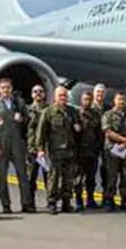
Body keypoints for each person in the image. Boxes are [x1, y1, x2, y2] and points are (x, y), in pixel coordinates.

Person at [0, 78, 32, 215]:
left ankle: (26, 204)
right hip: (1, 144)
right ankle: (6, 205)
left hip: (17, 144)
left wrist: (22, 119)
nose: (6, 90)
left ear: (11, 88)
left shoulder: (19, 103)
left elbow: (28, 121)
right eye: (3, 88)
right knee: (1, 177)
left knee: (23, 175)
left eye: (8, 87)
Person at [35, 86, 81, 214]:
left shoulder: (72, 111)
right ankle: (52, 202)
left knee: (68, 178)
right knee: (53, 177)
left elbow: (78, 127)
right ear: (55, 97)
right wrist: (40, 149)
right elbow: (41, 132)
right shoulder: (49, 112)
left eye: (65, 96)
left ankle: (66, 202)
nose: (63, 98)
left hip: (70, 150)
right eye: (60, 95)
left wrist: (78, 127)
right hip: (55, 150)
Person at [101, 92, 126, 211]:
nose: (121, 102)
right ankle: (109, 201)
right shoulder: (108, 115)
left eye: (123, 100)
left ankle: (124, 200)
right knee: (111, 177)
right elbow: (107, 131)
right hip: (112, 151)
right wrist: (123, 140)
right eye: (119, 99)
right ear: (114, 101)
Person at [74, 90, 105, 209]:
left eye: (89, 99)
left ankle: (90, 199)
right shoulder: (76, 114)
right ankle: (78, 200)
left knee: (91, 178)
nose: (87, 101)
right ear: (81, 100)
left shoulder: (96, 115)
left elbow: (99, 134)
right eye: (85, 99)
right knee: (78, 179)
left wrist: (100, 148)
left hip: (92, 151)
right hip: (80, 152)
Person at [24, 84, 47, 212]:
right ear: (32, 94)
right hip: (31, 149)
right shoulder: (27, 111)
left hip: (45, 149)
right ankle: (30, 203)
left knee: (48, 177)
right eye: (35, 91)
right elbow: (22, 130)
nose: (38, 93)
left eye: (40, 91)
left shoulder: (49, 110)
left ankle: (50, 202)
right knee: (31, 178)